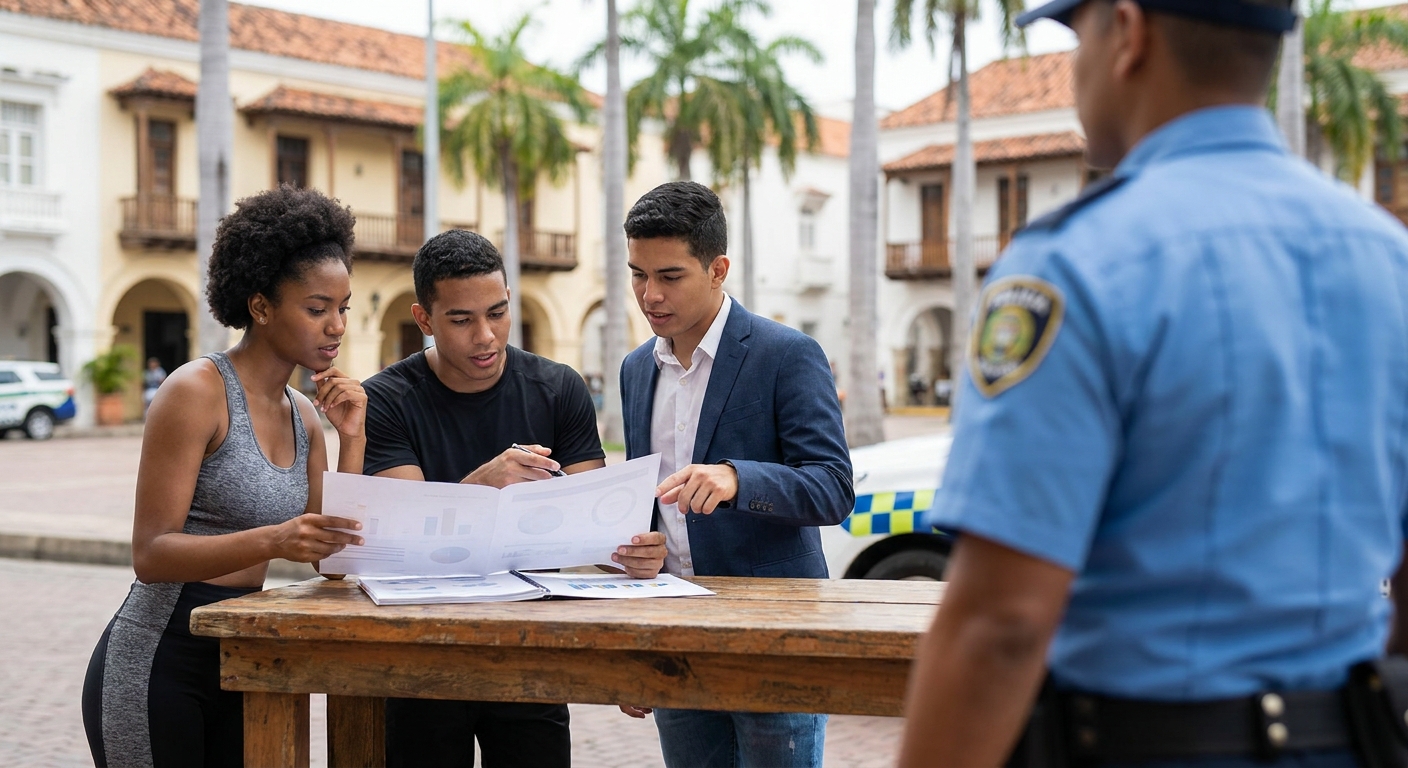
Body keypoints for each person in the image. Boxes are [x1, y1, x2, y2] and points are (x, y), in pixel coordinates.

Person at [897, 1, 1408, 766]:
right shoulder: (1387, 256)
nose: (1073, 68)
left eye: (1078, 36)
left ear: (1129, 33)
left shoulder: (1076, 265)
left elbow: (1001, 623)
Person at [82, 185, 369, 767]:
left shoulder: (307, 416)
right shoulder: (195, 393)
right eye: (317, 308)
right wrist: (274, 540)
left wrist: (352, 439)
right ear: (261, 307)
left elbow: (333, 562)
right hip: (158, 660)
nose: (335, 325)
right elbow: (151, 552)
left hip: (243, 659)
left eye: (343, 307)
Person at [360, 228, 667, 768]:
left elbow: (595, 532)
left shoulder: (558, 387)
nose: (486, 336)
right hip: (422, 654)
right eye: (461, 320)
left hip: (532, 653)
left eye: (498, 312)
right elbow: (403, 539)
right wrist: (484, 484)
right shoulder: (386, 399)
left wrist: (628, 554)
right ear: (424, 319)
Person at [616, 181, 853, 768]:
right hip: (675, 631)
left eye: (669, 276)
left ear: (718, 268)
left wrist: (737, 478)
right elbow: (649, 506)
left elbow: (833, 486)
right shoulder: (634, 369)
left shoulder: (787, 354)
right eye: (638, 274)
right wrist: (634, 635)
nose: (649, 295)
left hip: (774, 634)